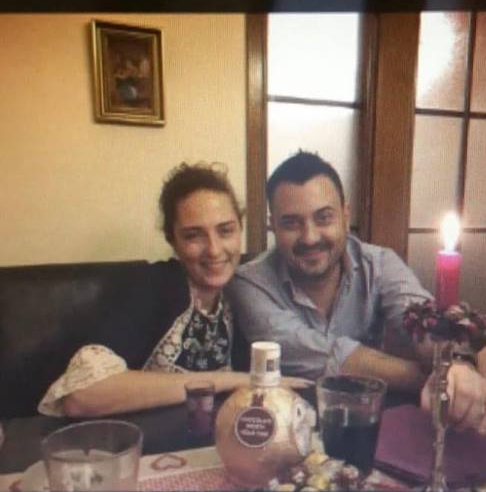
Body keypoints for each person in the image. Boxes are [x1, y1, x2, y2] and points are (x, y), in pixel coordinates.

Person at [227, 151, 486, 432]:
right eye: (291, 223)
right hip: (284, 433)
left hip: (373, 427)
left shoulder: (380, 264)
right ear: (272, 225)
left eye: (324, 218)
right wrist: (447, 375)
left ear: (345, 215)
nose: (310, 237)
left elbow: (423, 322)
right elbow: (324, 355)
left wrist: (460, 364)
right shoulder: (249, 283)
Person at [39, 162, 308, 418]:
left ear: (240, 229)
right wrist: (231, 381)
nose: (214, 250)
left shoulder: (241, 293)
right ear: (172, 240)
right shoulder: (150, 285)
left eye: (225, 231)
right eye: (193, 235)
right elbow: (81, 396)